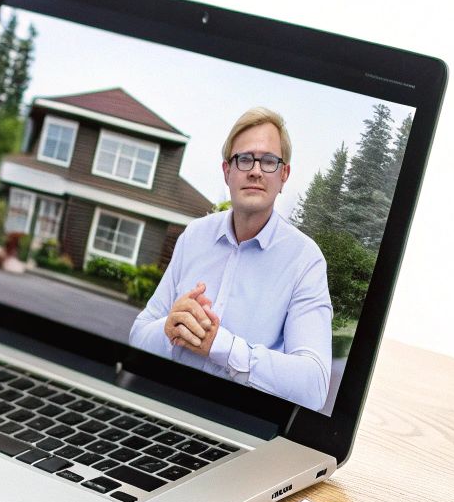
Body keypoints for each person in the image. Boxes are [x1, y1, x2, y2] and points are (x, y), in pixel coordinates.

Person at [128, 107, 333, 411]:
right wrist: (169, 329)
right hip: (159, 406)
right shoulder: (194, 235)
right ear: (227, 171)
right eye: (244, 159)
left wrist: (221, 346)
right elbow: (138, 337)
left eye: (269, 161)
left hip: (238, 424)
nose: (255, 170)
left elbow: (313, 386)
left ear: (284, 175)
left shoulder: (305, 260)